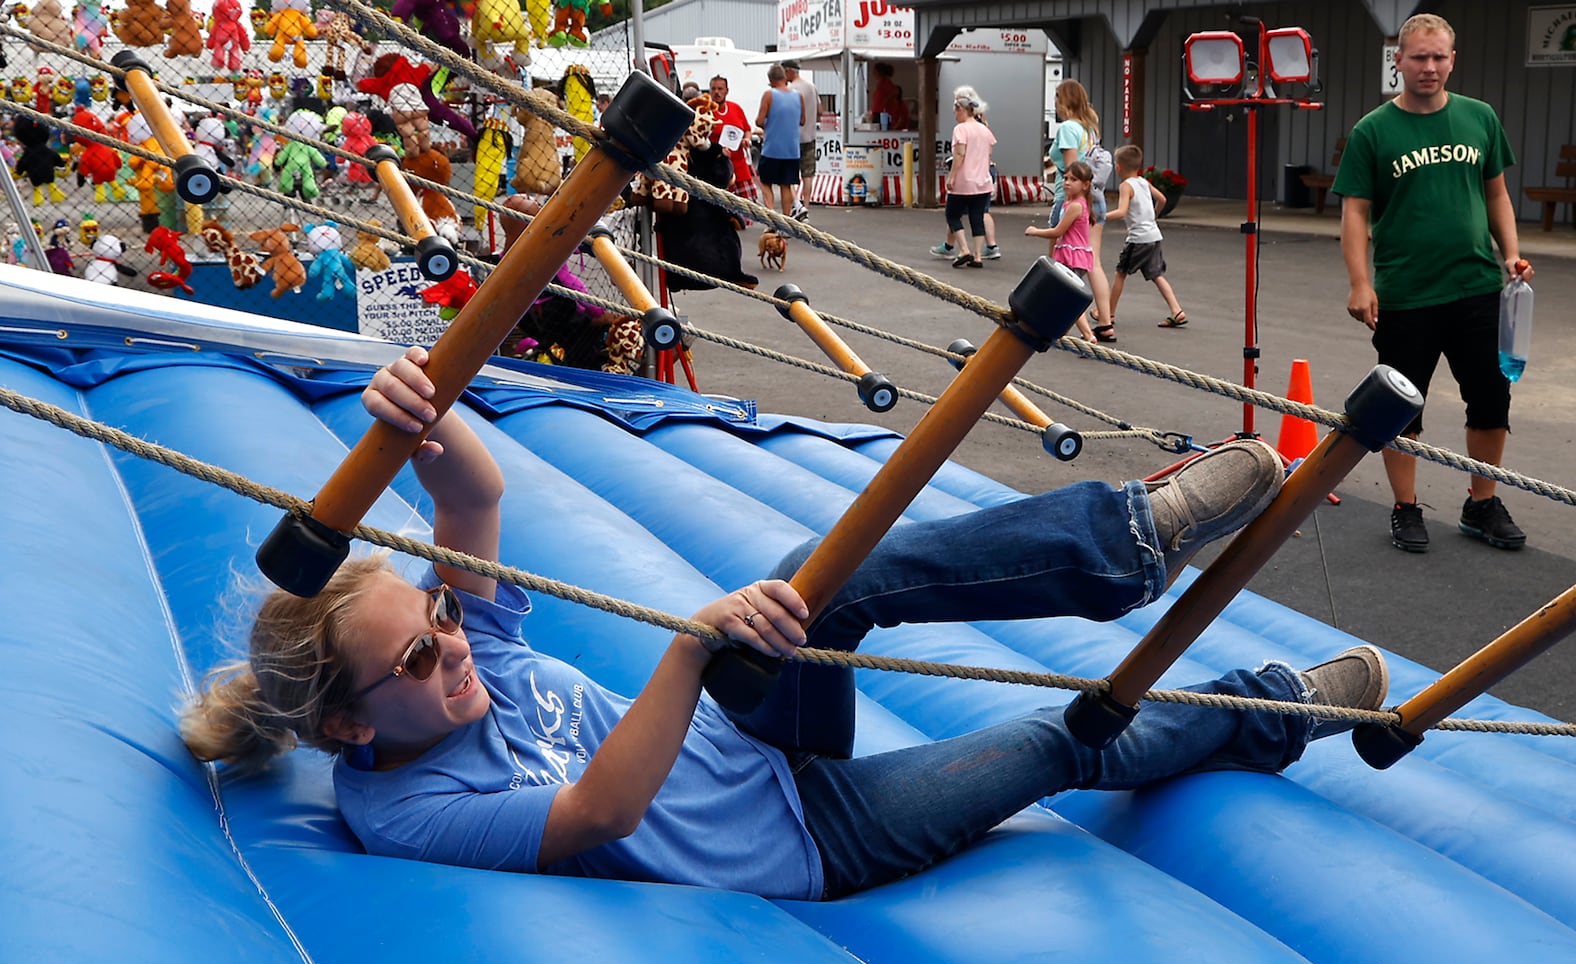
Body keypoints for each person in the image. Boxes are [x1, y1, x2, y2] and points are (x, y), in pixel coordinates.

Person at [179, 347, 1391, 902]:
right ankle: (1271, 707)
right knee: (1059, 744)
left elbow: (470, 496)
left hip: (761, 750)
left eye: (441, 614)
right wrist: (690, 646)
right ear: (346, 726)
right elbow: (596, 814)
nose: (452, 645)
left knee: (822, 577)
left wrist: (411, 400)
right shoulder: (399, 809)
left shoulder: (470, 658)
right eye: (419, 655)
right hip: (814, 843)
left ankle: (1124, 539)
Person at [1333, 12, 1533, 554]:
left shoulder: (1480, 117)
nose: (1429, 67)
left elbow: (1496, 193)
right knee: (1403, 408)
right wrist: (1360, 282)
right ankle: (1405, 507)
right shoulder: (1374, 130)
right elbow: (1355, 213)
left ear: (1452, 59)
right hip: (1406, 293)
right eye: (1418, 57)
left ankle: (1482, 503)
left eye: (1439, 57)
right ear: (1397, 61)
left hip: (1476, 287)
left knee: (1492, 400)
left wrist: (1511, 254)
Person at [1046, 80, 1114, 339]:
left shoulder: (1067, 129)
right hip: (1096, 199)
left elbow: (1072, 169)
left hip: (1072, 203)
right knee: (1092, 261)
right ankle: (1105, 322)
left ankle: (1057, 318)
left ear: (1064, 101)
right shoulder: (1090, 129)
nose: (1054, 103)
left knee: (1058, 265)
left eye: (1057, 97)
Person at [1105, 144, 1187, 332]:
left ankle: (1109, 313)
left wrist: (1101, 217)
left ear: (1118, 167)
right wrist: (1154, 216)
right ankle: (1176, 310)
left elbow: (1122, 211)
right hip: (1154, 235)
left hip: (1138, 238)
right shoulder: (1143, 182)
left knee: (1120, 273)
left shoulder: (1126, 186)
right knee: (1156, 274)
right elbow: (1163, 199)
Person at [1025, 160, 1099, 344]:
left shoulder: (1076, 206)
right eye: (1065, 178)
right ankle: (1062, 330)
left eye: (1073, 179)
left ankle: (1088, 335)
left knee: (1068, 298)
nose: (1067, 182)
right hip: (1069, 254)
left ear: (1085, 185)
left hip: (1073, 256)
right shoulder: (1071, 203)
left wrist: (1036, 232)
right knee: (1064, 295)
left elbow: (1058, 231)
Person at [931, 85, 1001, 261]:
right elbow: (989, 153)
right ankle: (978, 255)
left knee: (952, 214)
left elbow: (960, 154)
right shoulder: (985, 129)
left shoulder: (960, 129)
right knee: (978, 217)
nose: (954, 115)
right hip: (983, 180)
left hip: (964, 180)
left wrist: (951, 176)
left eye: (955, 111)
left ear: (961, 109)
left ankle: (963, 249)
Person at [755, 63, 803, 224]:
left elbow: (760, 121)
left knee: (765, 180)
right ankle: (786, 220)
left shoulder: (769, 94)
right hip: (792, 149)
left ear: (771, 80)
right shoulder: (798, 96)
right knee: (786, 184)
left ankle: (771, 215)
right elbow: (802, 120)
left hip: (772, 148)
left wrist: (769, 122)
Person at [707, 75, 760, 222]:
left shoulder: (736, 108)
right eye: (713, 89)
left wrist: (747, 139)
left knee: (747, 212)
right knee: (721, 214)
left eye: (720, 89)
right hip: (718, 169)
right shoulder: (706, 112)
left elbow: (747, 129)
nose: (717, 92)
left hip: (740, 167)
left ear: (727, 91)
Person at [782, 59, 818, 220]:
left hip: (792, 137)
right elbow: (821, 109)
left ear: (789, 71)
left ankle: (797, 203)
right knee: (807, 175)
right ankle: (806, 207)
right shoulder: (811, 86)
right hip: (810, 135)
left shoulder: (790, 90)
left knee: (788, 174)